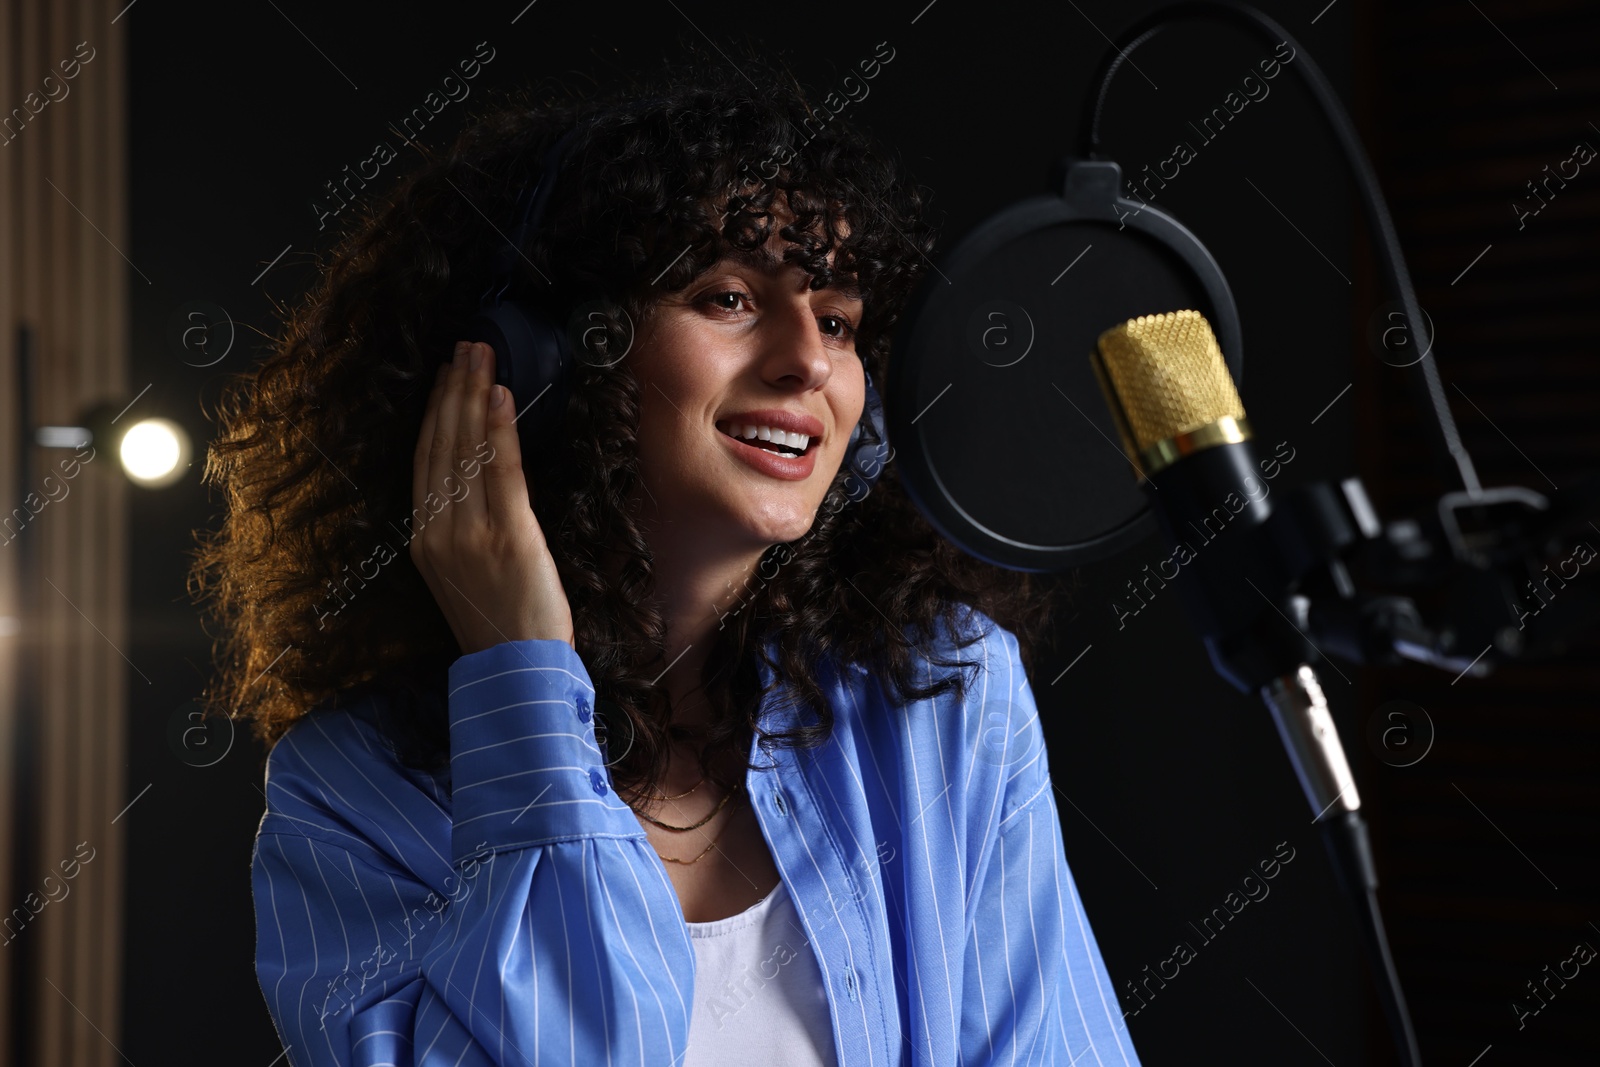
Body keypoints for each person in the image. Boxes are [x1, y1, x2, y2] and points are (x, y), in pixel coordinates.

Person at [189, 45, 1141, 1067]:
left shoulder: (942, 694)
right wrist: (521, 676)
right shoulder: (350, 791)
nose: (807, 359)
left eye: (836, 318)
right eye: (729, 298)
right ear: (536, 358)